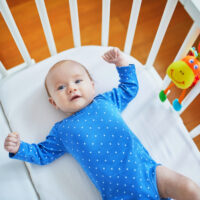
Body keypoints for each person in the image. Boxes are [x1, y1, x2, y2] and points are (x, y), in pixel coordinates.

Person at [4, 47, 200, 200]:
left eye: (78, 81)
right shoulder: (62, 131)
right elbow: (43, 154)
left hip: (150, 173)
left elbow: (129, 88)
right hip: (118, 195)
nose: (71, 88)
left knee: (189, 188)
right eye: (61, 87)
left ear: (92, 85)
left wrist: (121, 63)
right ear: (54, 102)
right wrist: (20, 148)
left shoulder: (106, 101)